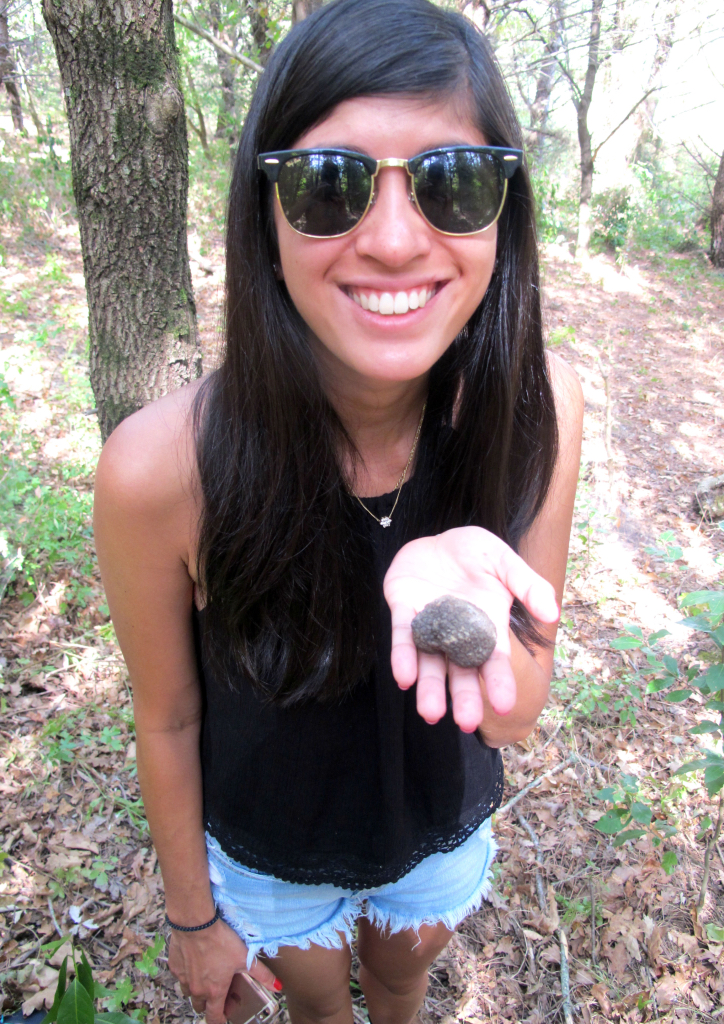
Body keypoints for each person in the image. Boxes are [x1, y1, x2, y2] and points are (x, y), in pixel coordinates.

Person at [93, 1, 583, 1023]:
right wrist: (192, 916)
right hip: (270, 847)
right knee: (317, 1008)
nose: (397, 241)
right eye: (330, 186)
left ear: (504, 211)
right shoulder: (159, 467)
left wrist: (469, 602)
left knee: (400, 985)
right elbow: (168, 714)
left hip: (434, 827)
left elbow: (519, 712)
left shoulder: (541, 405)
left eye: (454, 182)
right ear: (265, 215)